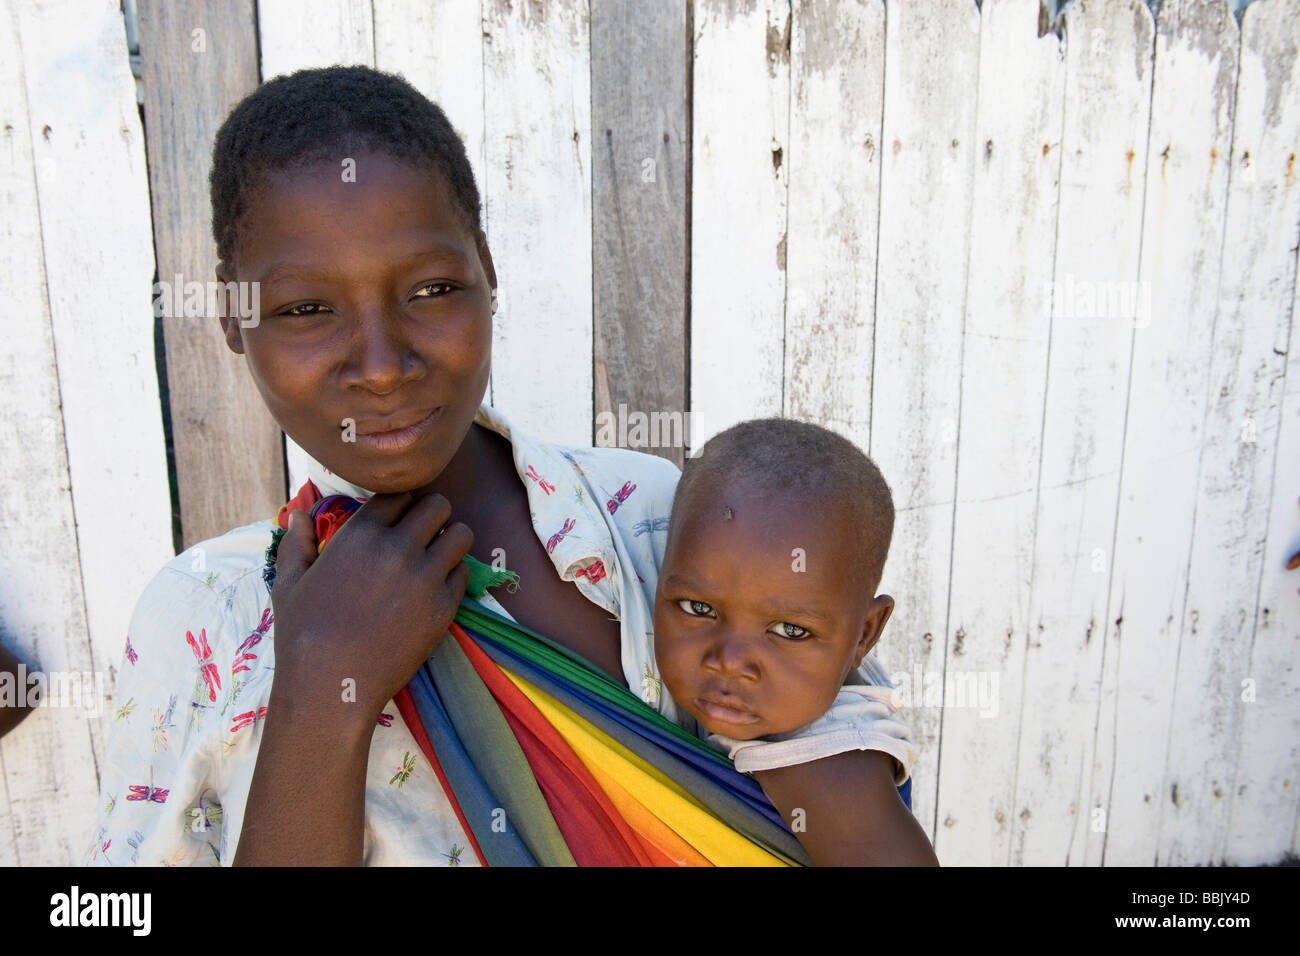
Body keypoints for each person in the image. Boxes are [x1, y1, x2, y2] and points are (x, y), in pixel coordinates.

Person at [87, 65, 930, 866]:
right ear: (234, 318)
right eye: (307, 308)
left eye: (431, 291)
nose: (381, 365)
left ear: (487, 273)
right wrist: (320, 692)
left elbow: (842, 805)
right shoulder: (203, 620)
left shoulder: (657, 522)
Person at [654, 419, 935, 863]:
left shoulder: (834, 765)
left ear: (865, 634)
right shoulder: (795, 686)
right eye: (698, 608)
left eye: (790, 631)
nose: (729, 661)